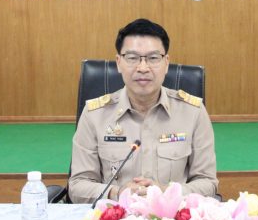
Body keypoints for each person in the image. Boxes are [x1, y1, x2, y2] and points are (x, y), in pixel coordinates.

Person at [68, 18, 218, 203]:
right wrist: (118, 193)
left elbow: (208, 182)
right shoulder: (94, 115)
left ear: (166, 63)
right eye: (132, 58)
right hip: (115, 216)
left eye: (153, 58)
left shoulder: (193, 112)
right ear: (118, 62)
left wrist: (166, 192)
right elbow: (77, 186)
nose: (143, 68)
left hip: (171, 217)